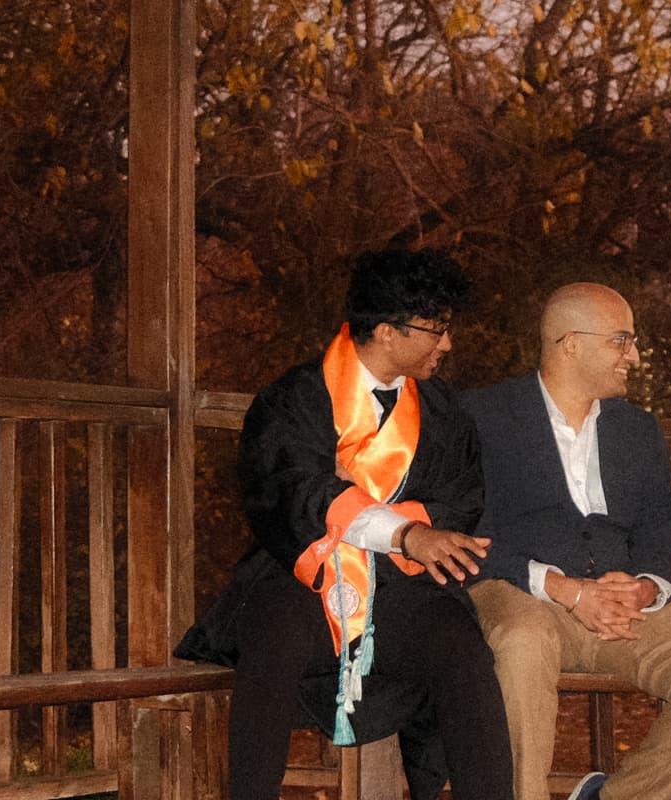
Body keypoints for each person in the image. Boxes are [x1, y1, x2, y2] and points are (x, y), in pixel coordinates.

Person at [175, 249, 513, 800]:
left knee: (463, 652)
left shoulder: (443, 411)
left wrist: (360, 508)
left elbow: (460, 501)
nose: (447, 344)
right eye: (436, 329)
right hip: (303, 580)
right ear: (387, 331)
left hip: (401, 586)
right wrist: (403, 531)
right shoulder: (295, 399)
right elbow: (292, 491)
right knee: (274, 640)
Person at [461, 282, 671, 800]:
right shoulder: (484, 417)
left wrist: (645, 588)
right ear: (571, 344)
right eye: (622, 340)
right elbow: (466, 534)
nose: (634, 356)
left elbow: (660, 541)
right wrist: (568, 590)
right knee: (522, 642)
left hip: (624, 611)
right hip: (526, 595)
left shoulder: (638, 430)